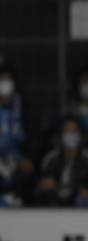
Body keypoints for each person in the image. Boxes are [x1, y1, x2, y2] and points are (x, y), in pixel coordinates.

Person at [35, 116, 88, 207]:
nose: (71, 135)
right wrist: (45, 185)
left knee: (85, 200)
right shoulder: (51, 158)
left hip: (81, 205)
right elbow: (40, 186)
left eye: (74, 131)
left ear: (80, 134)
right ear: (61, 135)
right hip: (54, 204)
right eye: (67, 131)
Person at [0, 64, 33, 206]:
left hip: (18, 161)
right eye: (1, 79)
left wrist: (28, 158)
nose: (4, 83)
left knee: (27, 173)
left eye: (8, 79)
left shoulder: (24, 106)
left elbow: (33, 137)